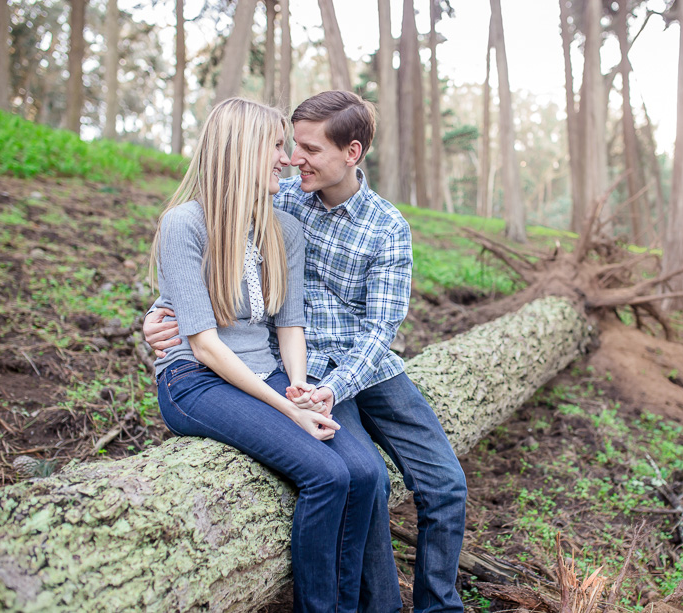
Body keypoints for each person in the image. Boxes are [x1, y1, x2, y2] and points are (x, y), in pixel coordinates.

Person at [145, 90, 467, 613]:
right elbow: (208, 251)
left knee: (445, 484)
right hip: (293, 367)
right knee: (366, 479)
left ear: (352, 153)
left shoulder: (383, 226)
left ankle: (439, 606)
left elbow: (379, 329)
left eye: (310, 150)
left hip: (358, 366)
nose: (295, 159)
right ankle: (377, 605)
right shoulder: (281, 196)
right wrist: (157, 316)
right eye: (289, 145)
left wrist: (329, 389)